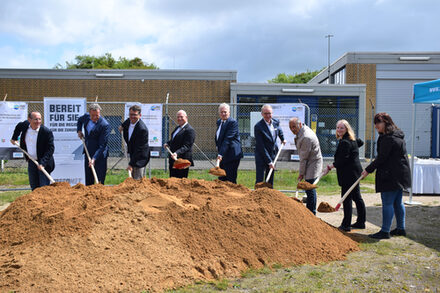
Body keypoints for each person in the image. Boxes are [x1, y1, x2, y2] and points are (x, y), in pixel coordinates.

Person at [362, 112, 411, 239]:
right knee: (397, 202)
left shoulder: (388, 138)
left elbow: (381, 158)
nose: (376, 126)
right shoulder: (397, 135)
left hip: (391, 175)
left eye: (378, 122)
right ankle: (401, 228)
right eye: (375, 123)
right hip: (400, 173)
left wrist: (368, 170)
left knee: (388, 202)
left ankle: (385, 231)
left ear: (386, 122)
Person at [326, 119, 366, 231]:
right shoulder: (352, 139)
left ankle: (346, 224)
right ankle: (361, 222)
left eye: (341, 128)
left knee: (347, 198)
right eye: (338, 128)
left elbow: (341, 161)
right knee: (357, 197)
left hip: (349, 174)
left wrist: (330, 167)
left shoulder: (345, 142)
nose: (339, 130)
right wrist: (354, 153)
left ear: (346, 129)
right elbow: (360, 142)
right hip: (355, 172)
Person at [11, 111, 55, 190]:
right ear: (29, 120)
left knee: (43, 188)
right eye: (36, 119)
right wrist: (14, 138)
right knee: (34, 187)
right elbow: (18, 127)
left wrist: (42, 163)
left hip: (43, 164)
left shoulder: (46, 132)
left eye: (39, 119)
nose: (38, 121)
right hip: (31, 161)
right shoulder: (25, 125)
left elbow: (50, 149)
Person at [289, 117, 323, 215]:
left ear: (300, 125)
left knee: (309, 186)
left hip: (313, 162)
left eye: (294, 127)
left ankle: (311, 213)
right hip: (309, 160)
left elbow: (304, 158)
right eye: (290, 127)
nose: (292, 129)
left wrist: (301, 173)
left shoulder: (306, 137)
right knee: (309, 187)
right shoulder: (302, 131)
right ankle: (310, 211)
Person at [77, 103, 110, 185]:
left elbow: (102, 145)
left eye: (97, 115)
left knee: (100, 179)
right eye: (93, 115)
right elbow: (79, 121)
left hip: (100, 155)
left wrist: (94, 158)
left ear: (100, 113)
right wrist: (79, 130)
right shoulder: (86, 117)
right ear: (89, 113)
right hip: (88, 151)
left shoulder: (105, 125)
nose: (95, 118)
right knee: (88, 178)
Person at [254, 104, 286, 187]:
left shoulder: (275, 122)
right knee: (260, 178)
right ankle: (258, 196)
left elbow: (279, 131)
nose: (268, 115)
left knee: (270, 176)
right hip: (261, 154)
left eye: (269, 113)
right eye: (265, 114)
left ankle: (269, 196)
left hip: (272, 153)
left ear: (272, 113)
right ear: (262, 114)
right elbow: (261, 146)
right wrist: (269, 161)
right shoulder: (258, 127)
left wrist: (282, 139)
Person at [215, 103, 243, 183]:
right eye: (221, 112)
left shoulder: (232, 123)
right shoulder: (219, 122)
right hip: (223, 154)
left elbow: (227, 139)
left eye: (225, 112)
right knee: (222, 179)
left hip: (232, 155)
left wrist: (220, 154)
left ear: (229, 112)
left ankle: (234, 195)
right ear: (219, 113)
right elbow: (219, 137)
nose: (223, 114)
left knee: (230, 179)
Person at [120, 105, 150, 180]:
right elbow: (125, 123)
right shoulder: (129, 121)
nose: (132, 117)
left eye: (135, 115)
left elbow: (139, 149)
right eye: (131, 114)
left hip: (140, 157)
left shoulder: (142, 129)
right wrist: (121, 126)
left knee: (137, 179)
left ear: (140, 115)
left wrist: (131, 164)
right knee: (132, 177)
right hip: (133, 153)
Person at [164, 110, 196, 178]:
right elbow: (174, 140)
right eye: (178, 117)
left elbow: (187, 146)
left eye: (181, 117)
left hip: (182, 161)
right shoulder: (178, 128)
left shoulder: (190, 130)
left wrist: (177, 153)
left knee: (181, 181)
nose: (179, 119)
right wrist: (168, 143)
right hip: (173, 159)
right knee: (172, 180)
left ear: (186, 117)